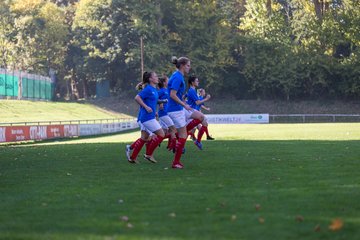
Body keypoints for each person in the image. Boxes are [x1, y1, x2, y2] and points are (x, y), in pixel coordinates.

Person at [126, 71, 165, 164]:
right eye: (155, 76)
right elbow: (137, 98)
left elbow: (151, 102)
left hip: (149, 116)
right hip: (147, 118)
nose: (157, 77)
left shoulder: (154, 89)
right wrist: (146, 107)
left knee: (144, 138)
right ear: (150, 79)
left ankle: (133, 158)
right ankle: (148, 154)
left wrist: (154, 110)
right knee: (161, 134)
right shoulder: (148, 89)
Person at [167, 56, 193, 169]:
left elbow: (176, 95)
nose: (189, 68)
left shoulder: (177, 75)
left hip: (176, 108)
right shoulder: (178, 77)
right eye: (188, 65)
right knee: (183, 135)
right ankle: (175, 162)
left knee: (182, 134)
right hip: (175, 109)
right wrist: (184, 105)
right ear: (182, 65)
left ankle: (175, 154)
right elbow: (172, 95)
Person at [186, 76, 212, 147]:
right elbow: (197, 103)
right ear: (192, 82)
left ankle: (198, 141)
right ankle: (178, 145)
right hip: (190, 112)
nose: (198, 82)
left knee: (205, 123)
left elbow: (185, 98)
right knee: (186, 131)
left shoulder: (192, 90)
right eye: (197, 81)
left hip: (193, 112)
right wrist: (206, 99)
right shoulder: (191, 90)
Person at [157, 76, 177, 151]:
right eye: (168, 80)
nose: (169, 81)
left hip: (166, 113)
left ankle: (154, 142)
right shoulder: (162, 91)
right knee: (173, 129)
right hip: (163, 113)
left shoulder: (167, 90)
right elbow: (155, 98)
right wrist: (160, 103)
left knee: (165, 132)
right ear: (164, 83)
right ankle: (174, 147)